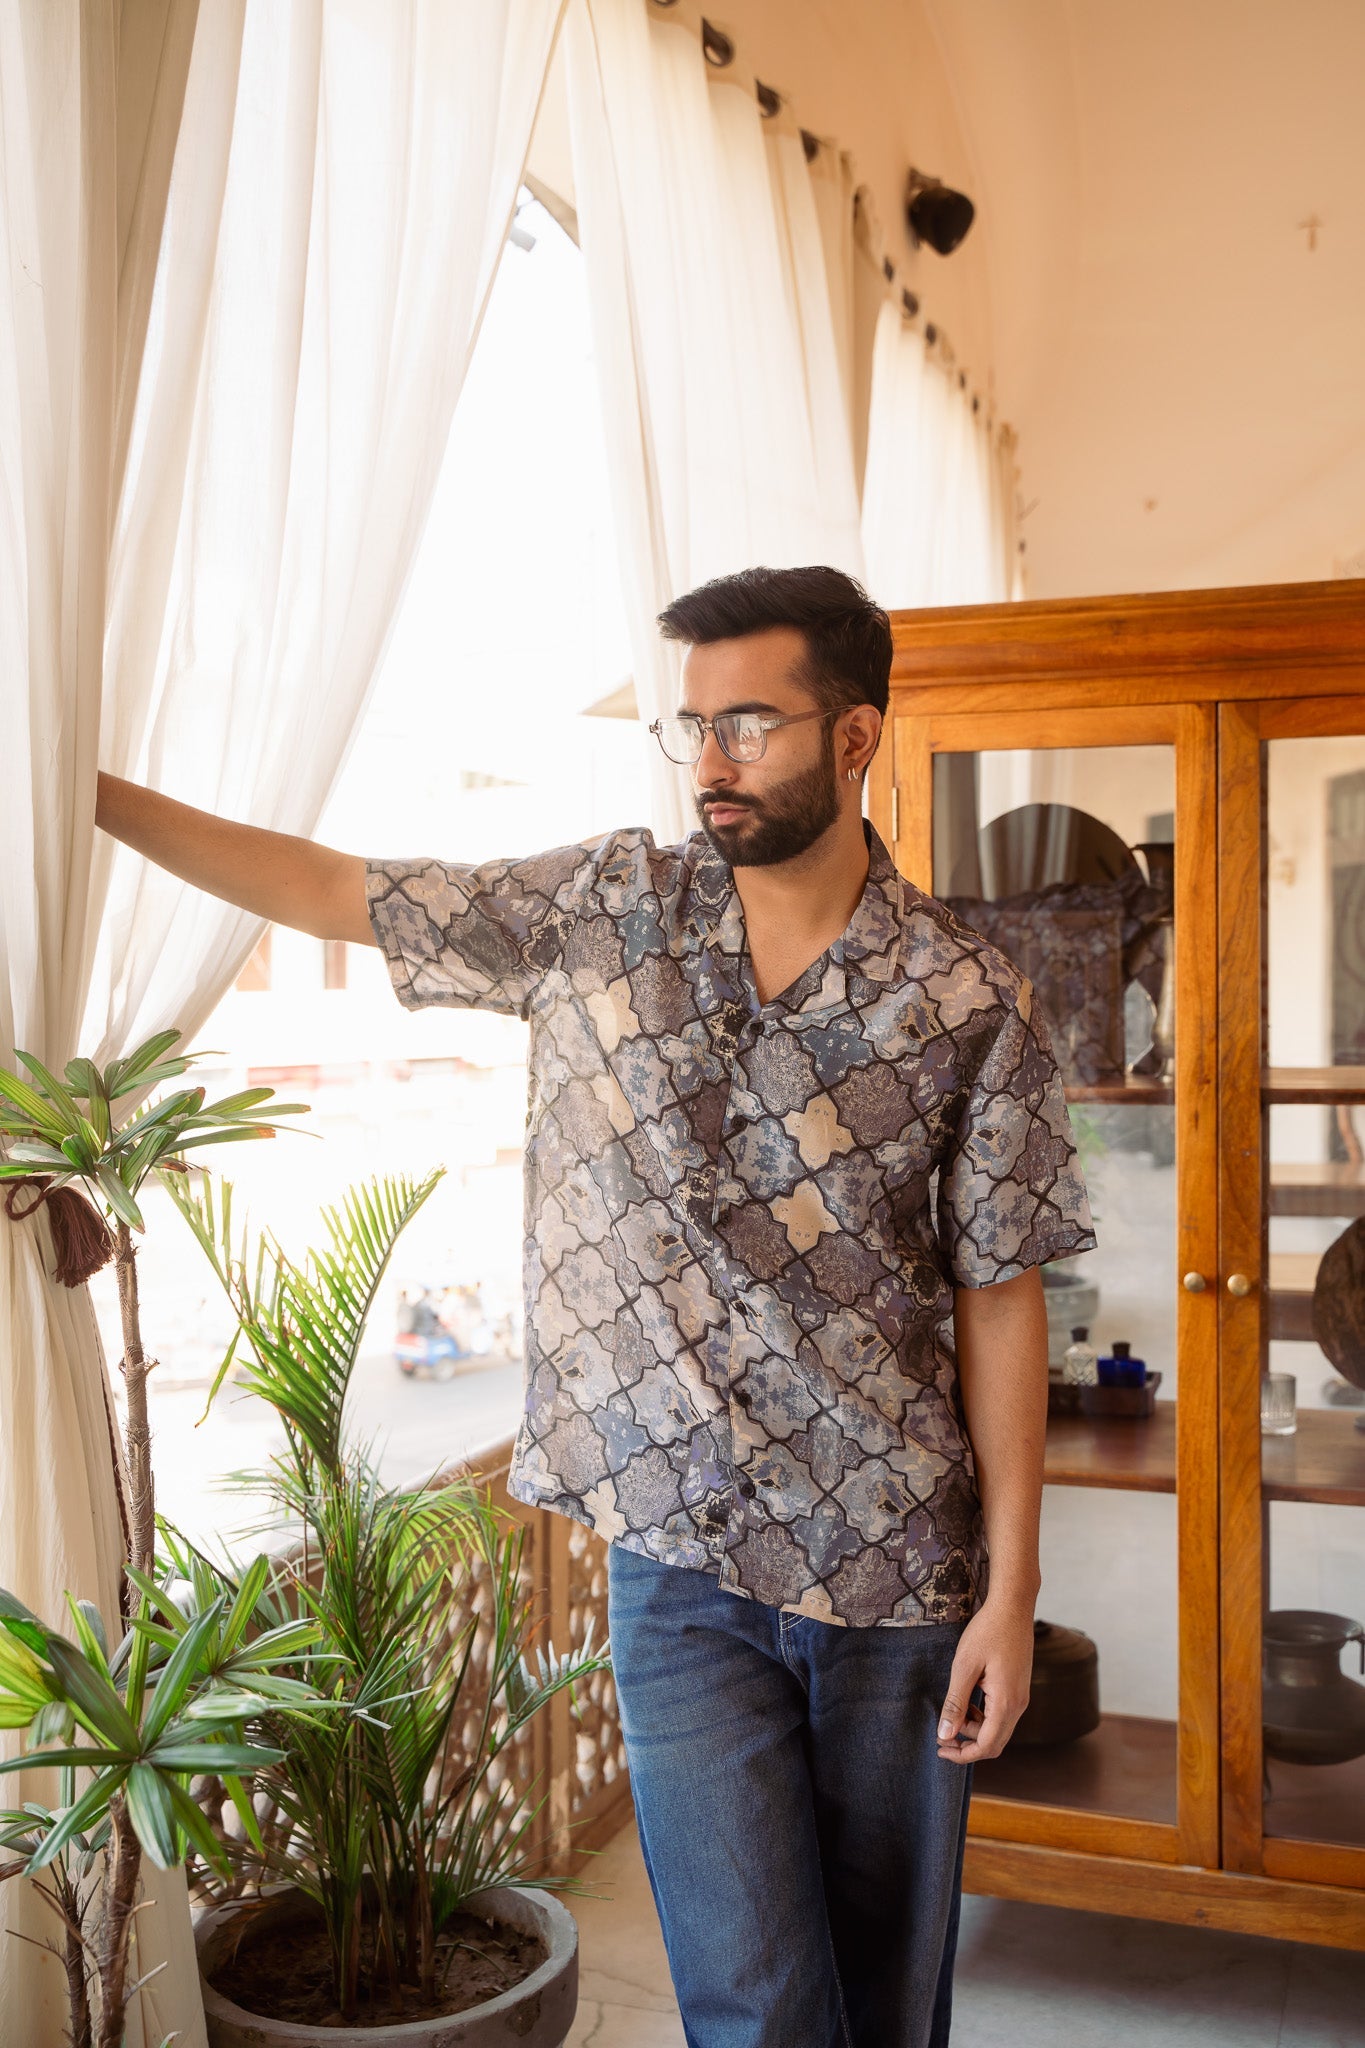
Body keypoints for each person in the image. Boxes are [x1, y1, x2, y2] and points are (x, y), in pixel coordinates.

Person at [96, 564, 1095, 2048]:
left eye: (749, 724)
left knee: (883, 2006)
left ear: (857, 735)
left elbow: (996, 1294)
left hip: (894, 1570)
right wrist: (79, 785)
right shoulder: (599, 907)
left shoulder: (963, 995)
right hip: (678, 1569)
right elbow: (331, 888)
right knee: (754, 2005)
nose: (708, 762)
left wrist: (1010, 1592)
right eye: (689, 726)